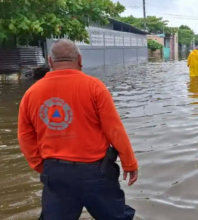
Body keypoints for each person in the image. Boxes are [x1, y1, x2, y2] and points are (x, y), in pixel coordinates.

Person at [18, 39, 138, 220]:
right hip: (97, 173)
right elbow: (114, 129)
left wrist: (42, 166)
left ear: (50, 62)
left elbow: (25, 136)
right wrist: (129, 162)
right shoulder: (94, 87)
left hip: (56, 174)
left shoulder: (31, 93)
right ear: (80, 59)